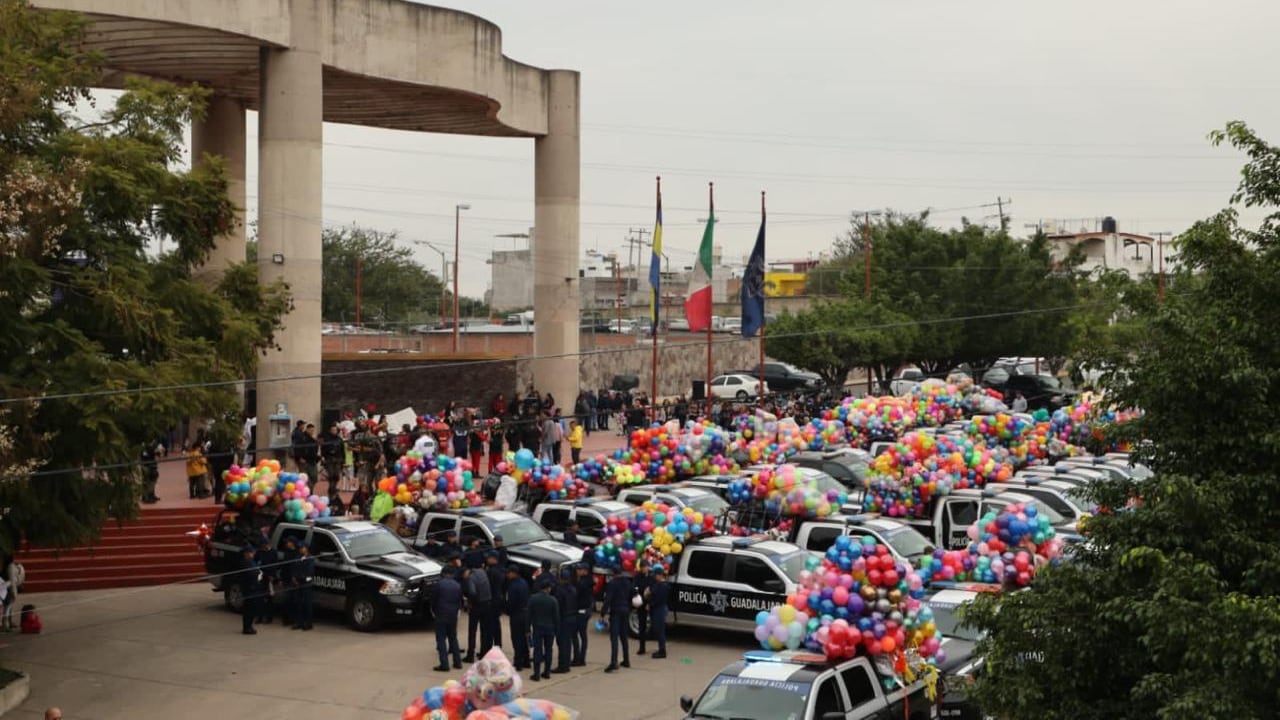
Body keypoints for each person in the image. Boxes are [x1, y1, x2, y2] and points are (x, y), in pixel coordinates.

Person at [432, 565, 463, 671]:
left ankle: (444, 664)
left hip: (441, 614)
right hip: (453, 615)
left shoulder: (439, 585)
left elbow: (433, 601)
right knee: (453, 638)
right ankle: (457, 662)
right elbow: (460, 602)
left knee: (441, 640)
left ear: (443, 573)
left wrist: (435, 612)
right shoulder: (457, 585)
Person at [528, 578, 558, 681]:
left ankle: (536, 674)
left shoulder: (533, 599)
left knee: (538, 650)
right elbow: (556, 617)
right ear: (549, 588)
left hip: (537, 627)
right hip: (550, 628)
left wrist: (527, 628)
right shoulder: (553, 600)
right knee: (548, 649)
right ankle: (547, 672)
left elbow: (529, 615)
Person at [602, 571, 633, 672]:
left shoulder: (612, 583)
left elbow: (608, 599)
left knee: (614, 637)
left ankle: (613, 661)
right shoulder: (627, 582)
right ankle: (626, 659)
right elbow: (632, 595)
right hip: (625, 610)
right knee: (624, 637)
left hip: (616, 611)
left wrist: (603, 613)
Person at [462, 562, 493, 662]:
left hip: (477, 606)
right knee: (485, 630)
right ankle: (484, 653)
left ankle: (470, 654)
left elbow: (472, 592)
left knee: (472, 631)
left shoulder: (470, 578)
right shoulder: (482, 572)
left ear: (466, 572)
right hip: (487, 604)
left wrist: (470, 603)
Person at [504, 566, 531, 671]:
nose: (507, 575)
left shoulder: (513, 586)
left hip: (516, 614)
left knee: (517, 638)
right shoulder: (524, 583)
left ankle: (518, 662)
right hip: (525, 613)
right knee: (524, 638)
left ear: (514, 573)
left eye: (509, 573)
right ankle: (526, 660)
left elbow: (511, 602)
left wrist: (507, 611)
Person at [552, 568, 577, 673]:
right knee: (568, 642)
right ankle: (566, 663)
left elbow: (558, 606)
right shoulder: (573, 589)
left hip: (563, 618)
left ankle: (562, 665)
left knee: (562, 642)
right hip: (572, 617)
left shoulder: (559, 591)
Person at [237, 545, 264, 635]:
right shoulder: (244, 562)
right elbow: (250, 573)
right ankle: (247, 627)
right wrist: (257, 573)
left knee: (253, 608)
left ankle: (250, 626)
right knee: (248, 609)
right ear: (246, 554)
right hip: (249, 588)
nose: (253, 554)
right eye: (251, 552)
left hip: (255, 587)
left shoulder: (251, 561)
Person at [572, 563, 593, 666]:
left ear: (585, 571)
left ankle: (579, 658)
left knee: (577, 634)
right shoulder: (588, 581)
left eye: (580, 569)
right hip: (586, 610)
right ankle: (580, 658)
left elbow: (576, 594)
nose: (577, 571)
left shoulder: (583, 583)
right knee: (582, 635)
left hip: (581, 611)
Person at [291, 540, 315, 631]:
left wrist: (300, 577)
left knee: (307, 604)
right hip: (298, 583)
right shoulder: (298, 557)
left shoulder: (310, 558)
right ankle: (299, 622)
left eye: (302, 548)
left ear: (306, 549)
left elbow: (309, 571)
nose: (300, 549)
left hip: (306, 583)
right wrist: (294, 577)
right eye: (299, 548)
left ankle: (308, 623)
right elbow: (294, 568)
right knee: (298, 603)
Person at [254, 538, 278, 624]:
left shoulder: (273, 552)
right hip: (261, 576)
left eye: (266, 545)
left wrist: (272, 576)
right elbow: (255, 563)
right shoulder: (259, 552)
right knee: (260, 598)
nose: (264, 547)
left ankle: (269, 617)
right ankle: (259, 617)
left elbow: (275, 565)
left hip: (270, 577)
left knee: (269, 598)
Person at [648, 566, 671, 658]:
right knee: (658, 630)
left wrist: (651, 603)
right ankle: (661, 649)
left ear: (660, 575)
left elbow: (658, 599)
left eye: (656, 575)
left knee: (660, 630)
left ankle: (662, 651)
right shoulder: (658, 584)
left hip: (659, 609)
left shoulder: (663, 586)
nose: (654, 577)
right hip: (658, 608)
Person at [484, 552, 505, 649]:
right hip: (499, 599)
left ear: (493, 559)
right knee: (497, 624)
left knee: (490, 626)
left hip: (491, 601)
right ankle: (498, 644)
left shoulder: (491, 571)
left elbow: (488, 586)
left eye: (488, 558)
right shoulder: (501, 569)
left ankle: (489, 647)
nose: (487, 560)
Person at [634, 562, 653, 655]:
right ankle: (642, 647)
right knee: (642, 626)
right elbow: (635, 587)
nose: (644, 569)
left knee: (655, 625)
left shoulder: (651, 577)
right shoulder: (637, 577)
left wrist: (649, 602)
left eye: (646, 567)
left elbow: (654, 589)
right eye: (643, 567)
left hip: (651, 603)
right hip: (641, 603)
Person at [321, 423, 344, 495]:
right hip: (329, 459)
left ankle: (334, 487)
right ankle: (331, 488)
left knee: (337, 475)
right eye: (332, 430)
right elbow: (323, 449)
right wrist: (323, 457)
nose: (334, 431)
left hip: (338, 459)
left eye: (335, 430)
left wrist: (343, 460)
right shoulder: (326, 439)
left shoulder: (339, 439)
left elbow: (342, 450)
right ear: (330, 431)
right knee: (331, 475)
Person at [140, 439, 160, 503]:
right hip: (147, 466)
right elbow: (145, 457)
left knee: (152, 481)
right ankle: (146, 497)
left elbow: (156, 454)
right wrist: (154, 452)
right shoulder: (145, 448)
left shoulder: (150, 448)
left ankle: (151, 495)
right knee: (147, 482)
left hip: (152, 466)